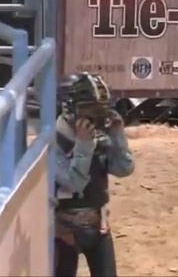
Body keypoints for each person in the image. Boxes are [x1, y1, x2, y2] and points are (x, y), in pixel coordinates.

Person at [54, 72, 134, 277]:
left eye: (101, 111)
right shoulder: (56, 141)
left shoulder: (99, 136)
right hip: (64, 233)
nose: (96, 117)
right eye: (90, 110)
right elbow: (74, 183)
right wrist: (84, 145)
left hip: (98, 226)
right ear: (71, 108)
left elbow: (124, 169)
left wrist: (117, 136)